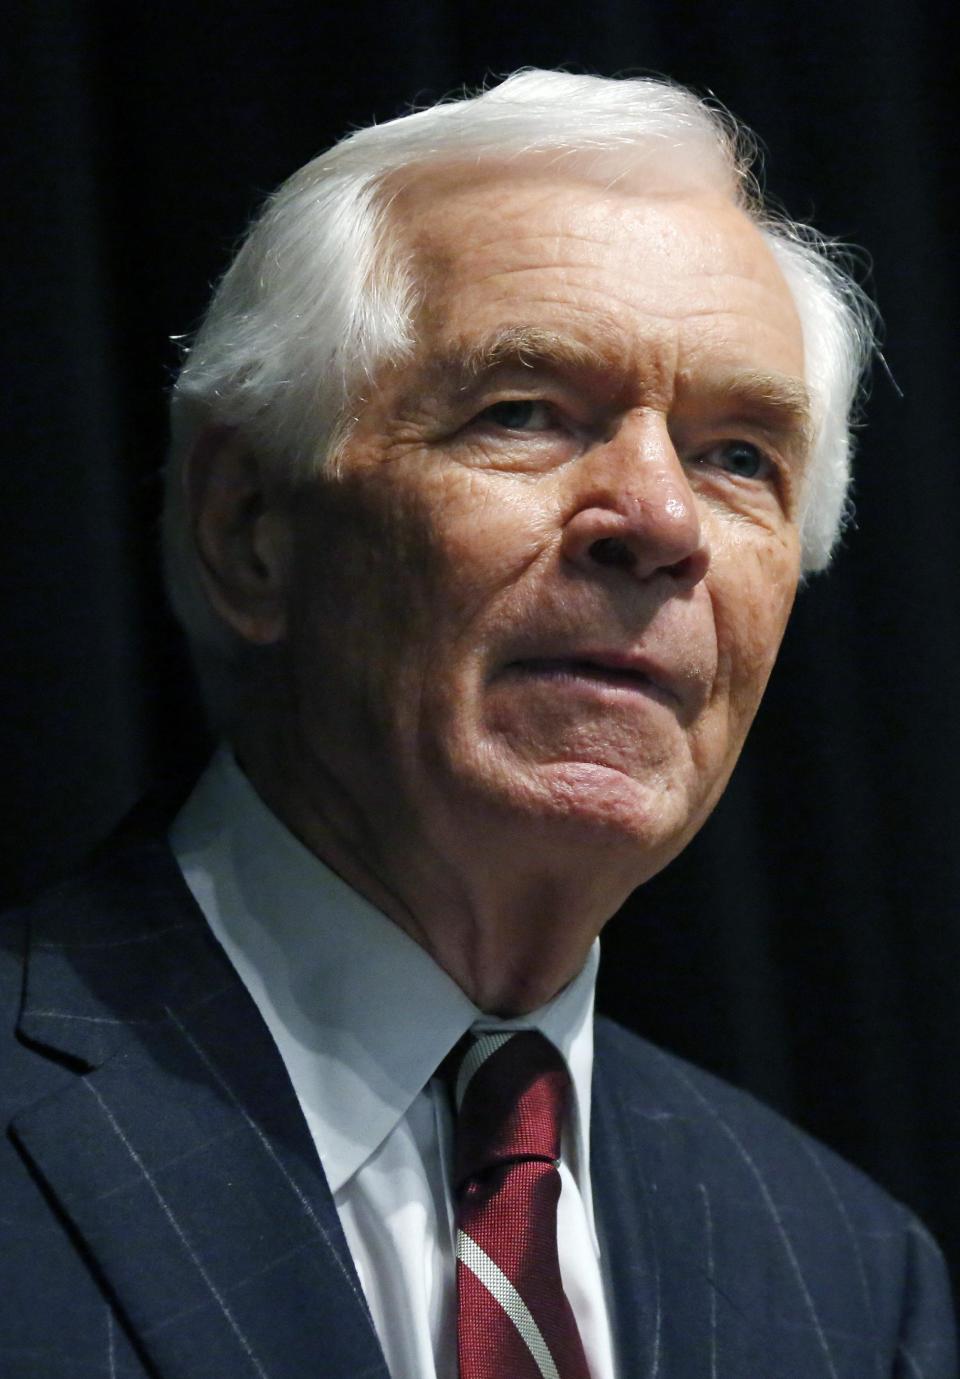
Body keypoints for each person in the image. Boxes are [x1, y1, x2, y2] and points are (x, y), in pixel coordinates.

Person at [1, 69, 954, 1379]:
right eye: (526, 414)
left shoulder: (850, 1275)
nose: (662, 523)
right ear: (250, 531)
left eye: (740, 457)